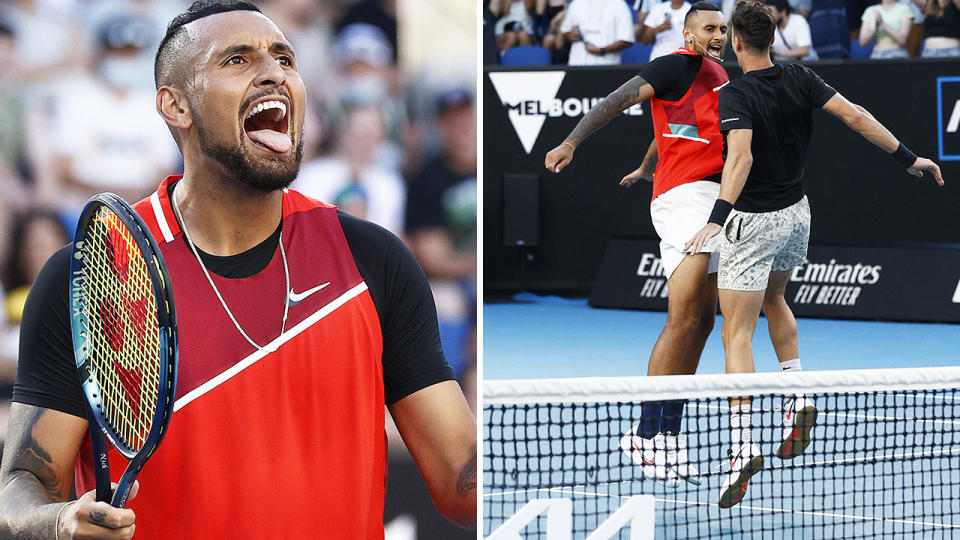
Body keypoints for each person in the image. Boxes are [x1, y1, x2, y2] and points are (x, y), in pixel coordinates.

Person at [0, 2, 477, 539]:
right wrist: (59, 520)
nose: (274, 73)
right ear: (175, 105)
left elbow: (462, 482)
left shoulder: (374, 259)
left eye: (285, 59)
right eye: (237, 60)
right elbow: (21, 487)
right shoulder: (95, 273)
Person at [685, 0, 943, 509]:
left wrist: (716, 217)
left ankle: (741, 446)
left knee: (735, 330)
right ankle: (798, 394)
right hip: (796, 214)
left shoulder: (734, 92)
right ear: (773, 40)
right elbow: (856, 116)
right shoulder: (800, 75)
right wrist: (909, 159)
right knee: (775, 301)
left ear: (736, 41)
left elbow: (740, 158)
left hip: (754, 222)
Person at [545, 1, 729, 487]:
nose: (718, 34)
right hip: (685, 200)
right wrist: (571, 143)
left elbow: (676, 126)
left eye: (723, 28)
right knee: (684, 316)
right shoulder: (673, 65)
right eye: (709, 27)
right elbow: (616, 100)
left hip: (714, 199)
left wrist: (647, 166)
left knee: (703, 322)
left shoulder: (717, 74)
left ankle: (669, 435)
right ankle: (646, 435)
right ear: (688, 33)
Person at [560, 0, 635, 65]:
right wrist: (570, 35)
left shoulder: (619, 5)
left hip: (607, 66)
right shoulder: (576, 3)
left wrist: (602, 50)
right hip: (576, 64)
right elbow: (565, 31)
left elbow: (627, 40)